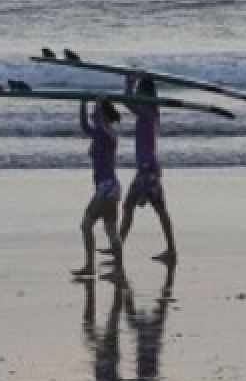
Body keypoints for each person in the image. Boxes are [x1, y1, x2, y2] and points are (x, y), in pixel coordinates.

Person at [117, 74, 177, 264]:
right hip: (150, 167)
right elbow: (131, 101)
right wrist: (132, 82)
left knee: (131, 207)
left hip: (146, 169)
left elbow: (128, 101)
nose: (137, 93)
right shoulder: (152, 113)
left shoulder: (147, 112)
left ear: (145, 93)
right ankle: (171, 250)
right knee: (158, 210)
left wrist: (128, 82)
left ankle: (117, 249)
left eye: (139, 90)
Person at [72, 97, 123, 277]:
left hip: (107, 188)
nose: (94, 115)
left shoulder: (108, 134)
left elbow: (98, 124)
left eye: (97, 113)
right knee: (110, 230)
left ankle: (92, 266)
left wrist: (97, 104)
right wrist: (83, 104)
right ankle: (117, 270)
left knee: (87, 225)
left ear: (102, 115)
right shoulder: (101, 133)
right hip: (107, 187)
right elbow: (85, 126)